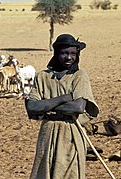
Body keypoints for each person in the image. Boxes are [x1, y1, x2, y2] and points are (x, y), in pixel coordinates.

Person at [25, 34, 100, 179]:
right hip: (47, 135)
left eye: (73, 53)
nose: (69, 58)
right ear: (56, 54)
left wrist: (46, 106)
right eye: (64, 53)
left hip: (71, 133)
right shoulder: (42, 77)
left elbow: (78, 107)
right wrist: (64, 98)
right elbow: (32, 107)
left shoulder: (79, 76)